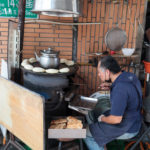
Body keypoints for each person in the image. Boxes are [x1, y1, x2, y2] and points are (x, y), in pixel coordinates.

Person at [84, 56, 142, 150]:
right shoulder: (129, 76)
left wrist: (102, 119)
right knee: (99, 114)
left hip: (128, 128)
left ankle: (97, 140)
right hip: (135, 119)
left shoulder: (120, 89)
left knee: (87, 134)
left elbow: (116, 120)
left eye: (99, 72)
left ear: (107, 72)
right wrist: (111, 86)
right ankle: (102, 143)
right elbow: (127, 90)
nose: (99, 75)